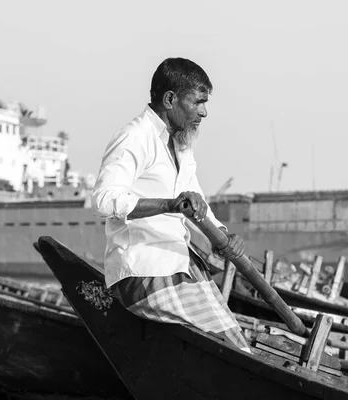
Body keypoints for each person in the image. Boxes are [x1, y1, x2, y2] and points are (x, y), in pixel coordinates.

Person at [92, 57, 250, 352]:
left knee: (237, 341)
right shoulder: (133, 137)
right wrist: (168, 204)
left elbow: (198, 203)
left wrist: (224, 237)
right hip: (142, 272)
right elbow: (103, 199)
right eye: (198, 102)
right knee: (231, 349)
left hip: (179, 265)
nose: (204, 112)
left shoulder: (180, 145)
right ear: (169, 99)